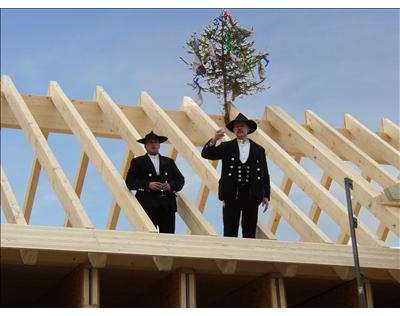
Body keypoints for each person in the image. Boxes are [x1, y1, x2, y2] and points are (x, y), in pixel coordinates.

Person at [201, 113, 271, 238]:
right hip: (231, 193)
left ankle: (247, 256)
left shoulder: (259, 149)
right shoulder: (226, 147)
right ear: (233, 130)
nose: (239, 128)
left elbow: (264, 173)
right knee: (230, 228)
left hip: (252, 194)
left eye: (242, 126)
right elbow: (206, 154)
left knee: (249, 229)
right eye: (237, 126)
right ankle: (230, 257)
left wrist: (266, 195)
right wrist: (214, 139)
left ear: (248, 129)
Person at [126, 131, 185, 234]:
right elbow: (130, 182)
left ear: (159, 145)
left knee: (168, 238)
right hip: (147, 205)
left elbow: (180, 180)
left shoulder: (169, 162)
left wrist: (170, 186)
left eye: (155, 142)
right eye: (150, 142)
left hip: (167, 206)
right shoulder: (138, 162)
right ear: (145, 146)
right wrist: (147, 185)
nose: (153, 144)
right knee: (147, 238)